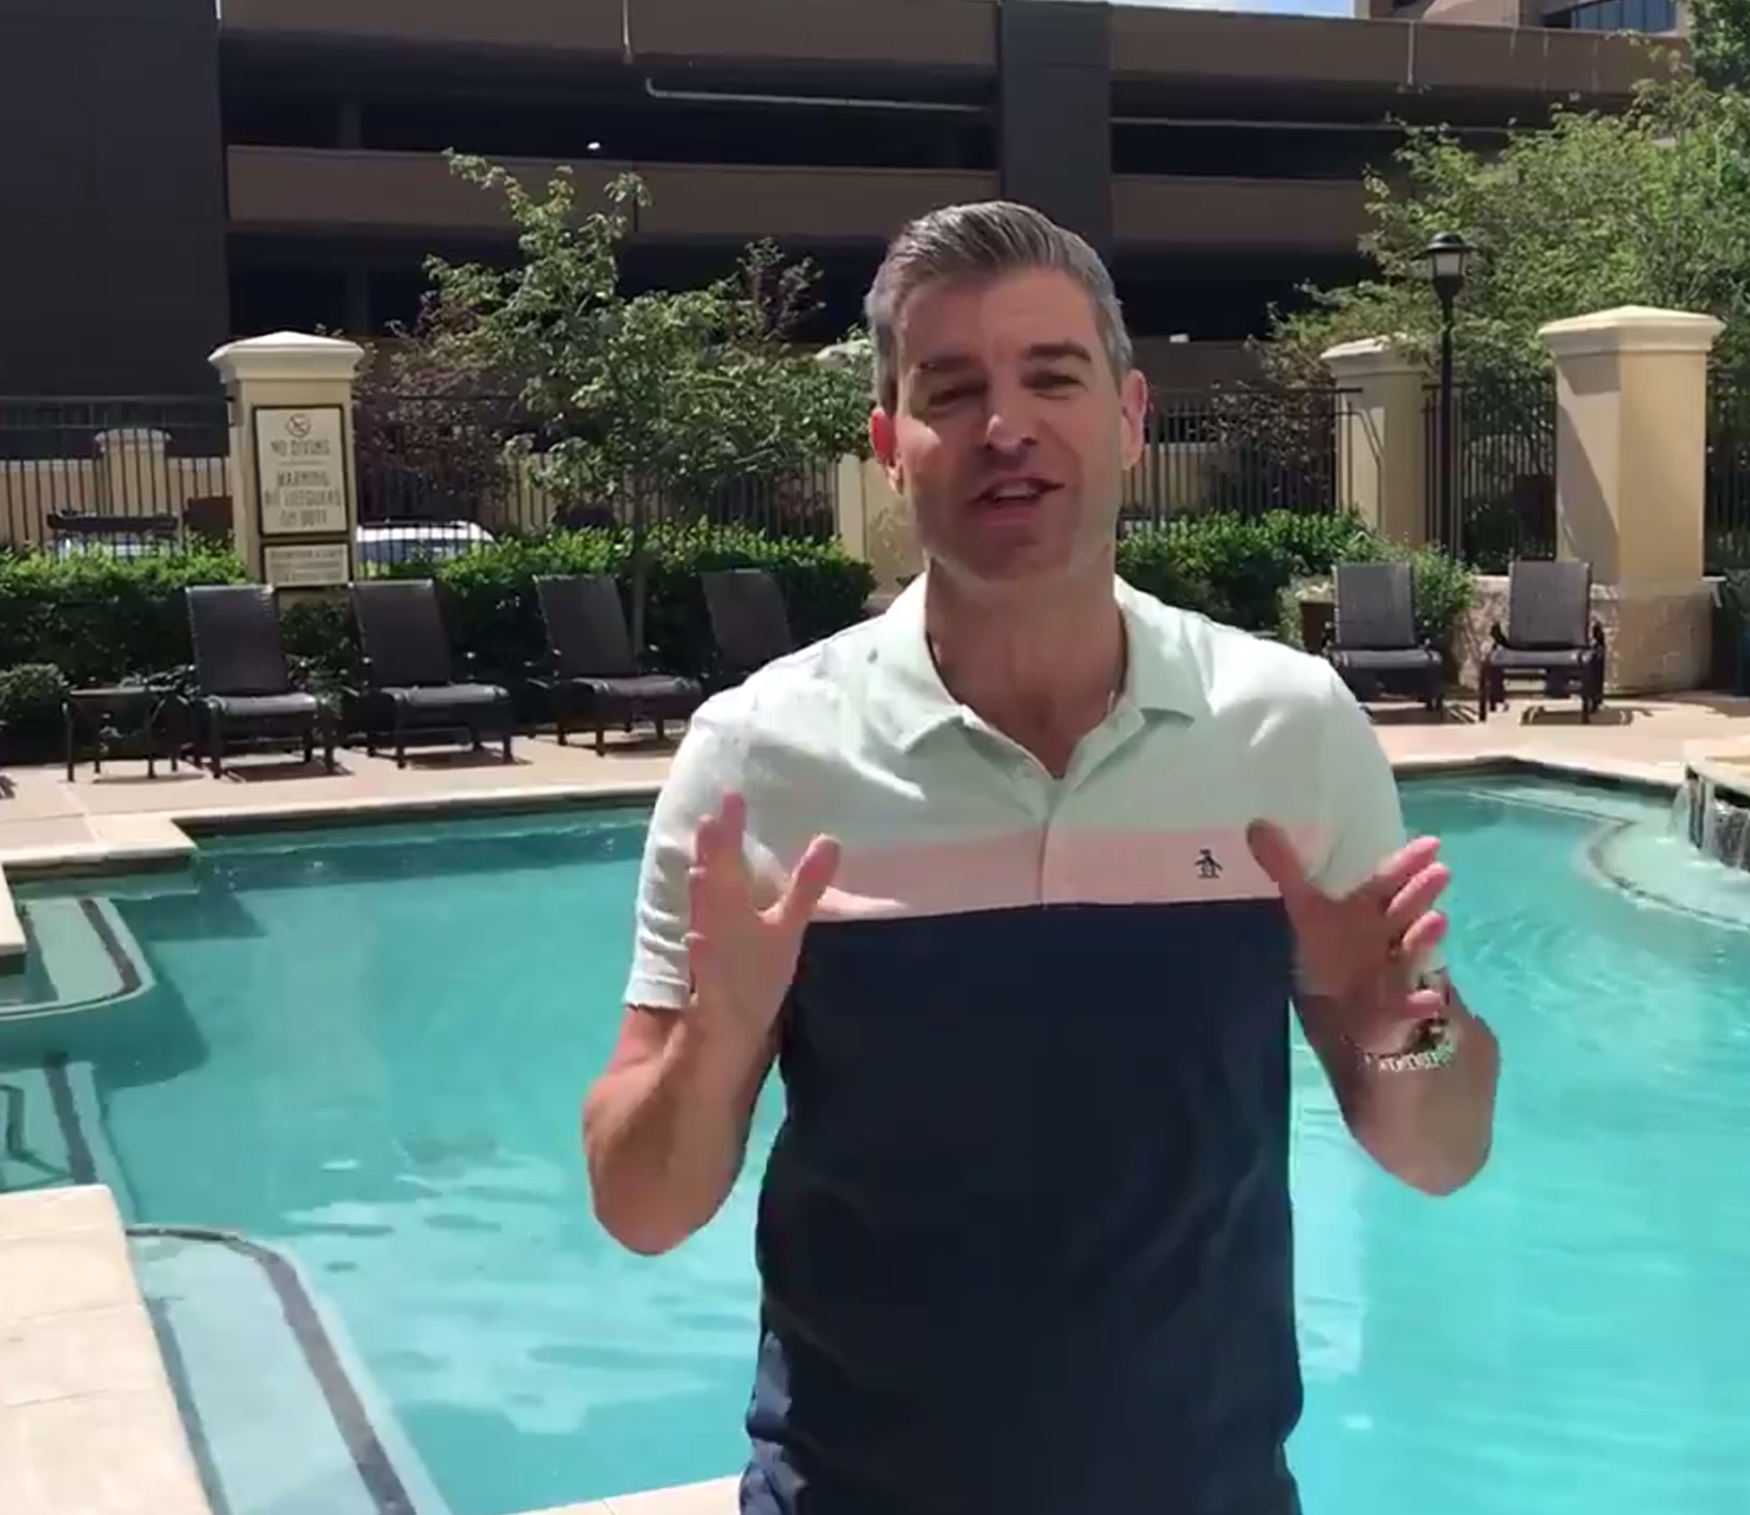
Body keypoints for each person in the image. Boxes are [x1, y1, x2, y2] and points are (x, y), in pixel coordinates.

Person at [582, 200, 1501, 1515]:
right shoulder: (760, 758)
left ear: (1128, 419)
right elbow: (640, 1206)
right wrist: (718, 1041)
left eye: (1052, 377)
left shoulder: (1286, 730)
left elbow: (1441, 1153)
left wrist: (1398, 1026)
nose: (1005, 425)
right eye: (951, 389)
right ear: (889, 443)